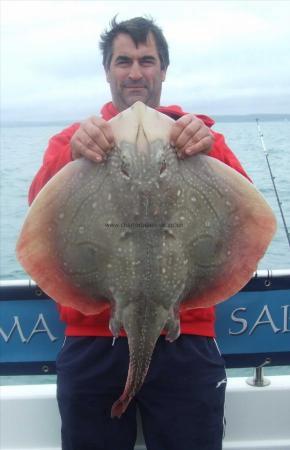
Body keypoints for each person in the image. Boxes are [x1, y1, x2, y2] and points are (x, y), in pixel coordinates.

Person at [29, 16, 250, 450]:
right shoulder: (74, 141)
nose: (135, 72)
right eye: (123, 61)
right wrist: (74, 157)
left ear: (163, 70)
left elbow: (245, 215)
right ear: (108, 70)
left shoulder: (201, 139)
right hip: (95, 340)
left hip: (186, 336)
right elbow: (38, 211)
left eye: (146, 60)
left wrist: (210, 150)